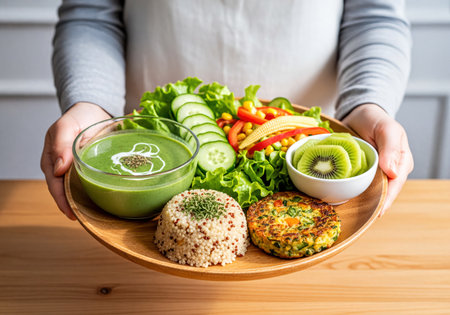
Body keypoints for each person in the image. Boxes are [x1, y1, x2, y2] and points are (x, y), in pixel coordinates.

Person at [41, 0, 414, 221]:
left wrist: (369, 104)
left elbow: (374, 16)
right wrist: (90, 104)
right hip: (155, 138)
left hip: (305, 138)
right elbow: (91, 13)